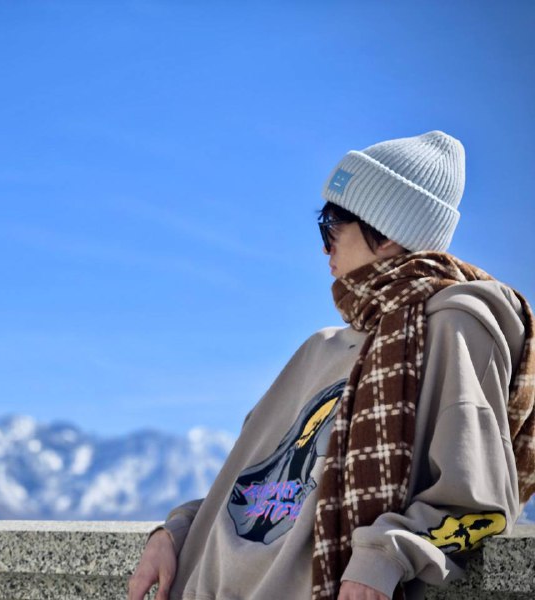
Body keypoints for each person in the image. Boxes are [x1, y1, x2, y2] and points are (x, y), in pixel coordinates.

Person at [127, 131, 535, 600]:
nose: (325, 248)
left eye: (332, 226)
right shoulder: (319, 349)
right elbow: (252, 485)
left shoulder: (455, 327)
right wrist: (177, 533)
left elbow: (478, 505)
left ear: (385, 232)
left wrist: (383, 558)